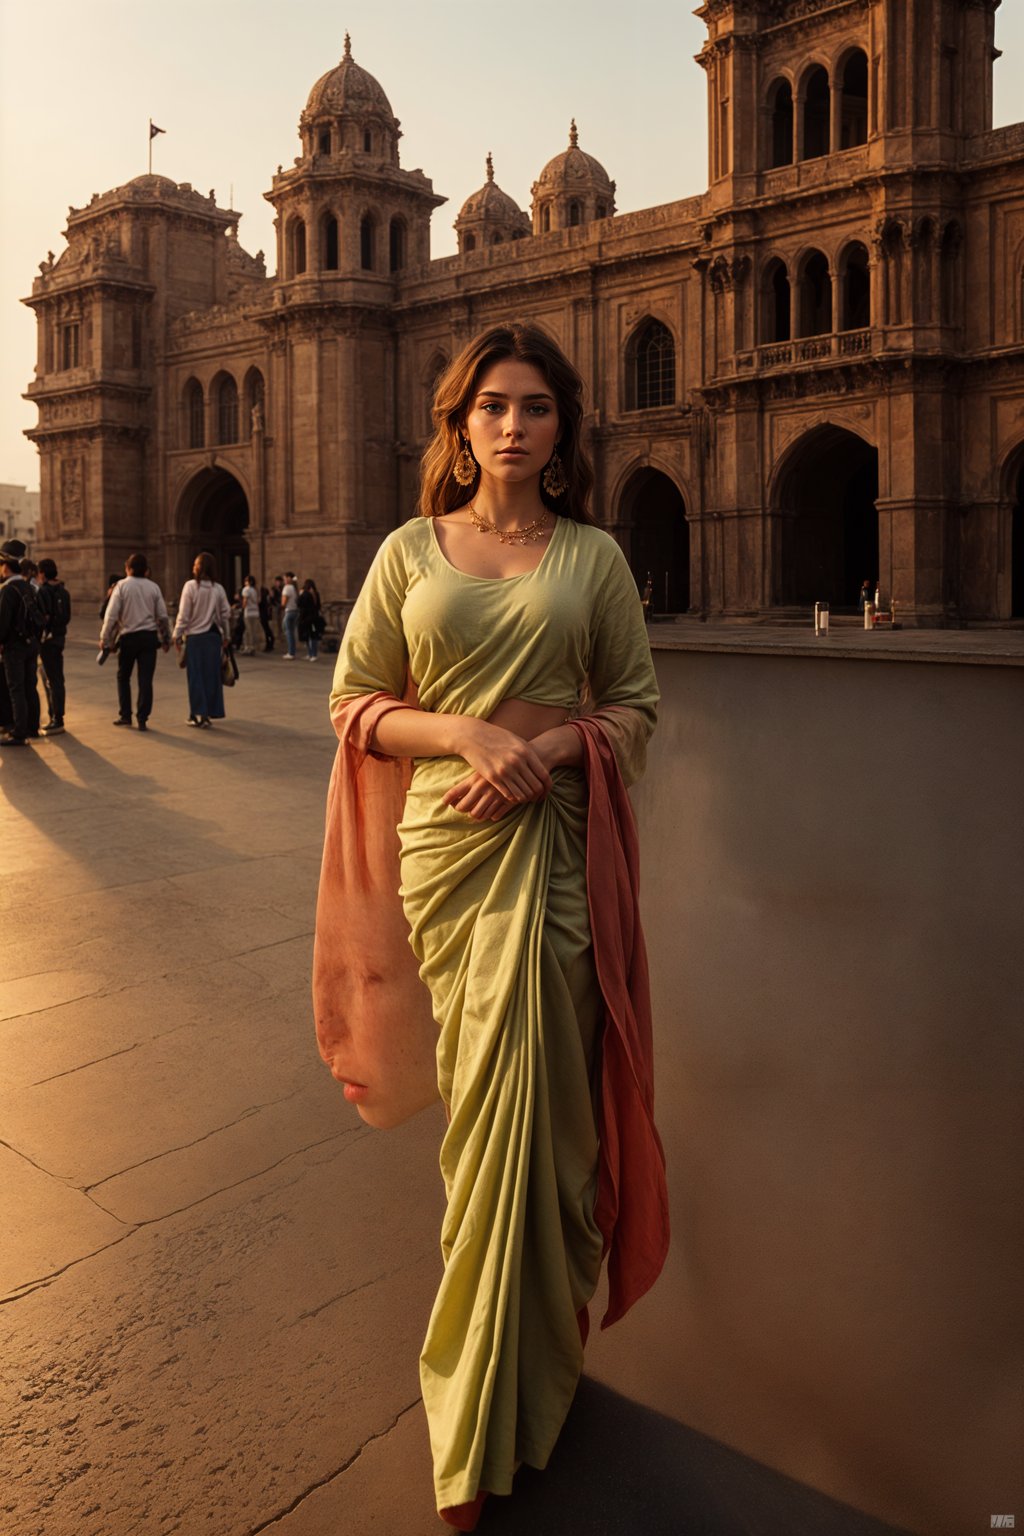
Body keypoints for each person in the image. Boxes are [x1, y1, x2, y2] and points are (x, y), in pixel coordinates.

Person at [312, 323, 669, 1530]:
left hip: (557, 859)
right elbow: (355, 702)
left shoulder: (595, 559)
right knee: (483, 1116)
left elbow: (632, 706)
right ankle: (474, 1402)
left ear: (564, 430)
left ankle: (536, 1366)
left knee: (549, 1113)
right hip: (449, 859)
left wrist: (554, 748)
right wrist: (465, 734)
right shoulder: (409, 553)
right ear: (457, 424)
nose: (513, 425)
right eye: (492, 406)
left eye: (535, 408)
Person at [99, 553, 171, 731]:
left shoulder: (121, 586)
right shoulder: (154, 587)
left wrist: (105, 638)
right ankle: (142, 718)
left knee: (123, 677)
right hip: (148, 638)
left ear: (128, 568)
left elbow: (111, 616)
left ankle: (125, 715)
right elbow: (162, 616)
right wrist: (166, 639)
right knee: (145, 679)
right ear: (145, 569)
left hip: (128, 638)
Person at [173, 551, 230, 728]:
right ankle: (209, 713)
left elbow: (184, 614)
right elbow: (225, 615)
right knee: (211, 676)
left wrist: (176, 634)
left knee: (196, 676)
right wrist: (226, 636)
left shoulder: (190, 586)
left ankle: (198, 714)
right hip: (213, 638)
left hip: (195, 638)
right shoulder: (218, 588)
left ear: (198, 568)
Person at [0, 538, 43, 746]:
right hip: (31, 643)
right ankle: (32, 727)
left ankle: (19, 731)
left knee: (16, 688)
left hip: (14, 646)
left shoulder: (8, 590)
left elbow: (3, 623)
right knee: (29, 685)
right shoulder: (27, 587)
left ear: (5, 566)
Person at [36, 557, 72, 734]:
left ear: (42, 573)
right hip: (59, 638)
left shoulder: (43, 591)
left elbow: (43, 617)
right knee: (58, 678)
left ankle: (57, 718)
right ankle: (58, 715)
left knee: (52, 679)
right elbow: (67, 617)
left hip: (47, 640)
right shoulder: (64, 592)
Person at [297, 578, 322, 660]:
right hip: (314, 617)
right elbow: (318, 605)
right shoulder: (315, 593)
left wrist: (300, 594)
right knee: (312, 635)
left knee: (309, 635)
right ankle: (312, 654)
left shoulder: (306, 594)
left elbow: (299, 603)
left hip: (307, 618)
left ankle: (312, 654)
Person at [240, 574, 262, 655]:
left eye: (246, 581)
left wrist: (242, 607)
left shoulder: (246, 589)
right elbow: (258, 601)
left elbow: (245, 600)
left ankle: (248, 647)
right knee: (252, 631)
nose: (245, 582)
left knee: (248, 631)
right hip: (255, 612)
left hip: (248, 612)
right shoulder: (255, 590)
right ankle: (252, 646)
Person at [281, 571, 299, 658]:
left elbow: (284, 602)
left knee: (288, 631)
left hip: (289, 611)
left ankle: (291, 652)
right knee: (291, 631)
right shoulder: (294, 587)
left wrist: (281, 604)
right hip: (295, 610)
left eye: (284, 578)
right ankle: (292, 651)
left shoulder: (287, 587)